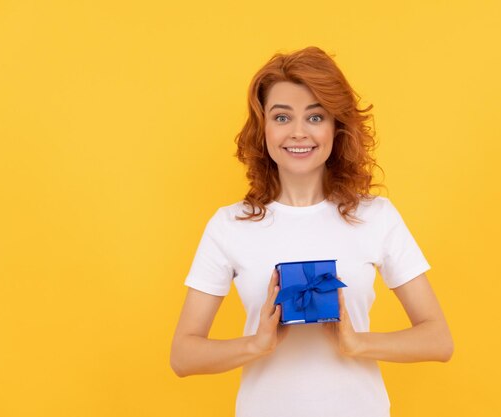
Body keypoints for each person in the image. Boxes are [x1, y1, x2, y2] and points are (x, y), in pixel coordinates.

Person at [170, 46, 453, 417]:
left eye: (315, 116)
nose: (299, 132)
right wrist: (257, 344)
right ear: (263, 128)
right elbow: (183, 355)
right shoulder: (230, 225)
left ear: (337, 127)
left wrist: (357, 343)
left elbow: (438, 340)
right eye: (282, 117)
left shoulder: (376, 217)